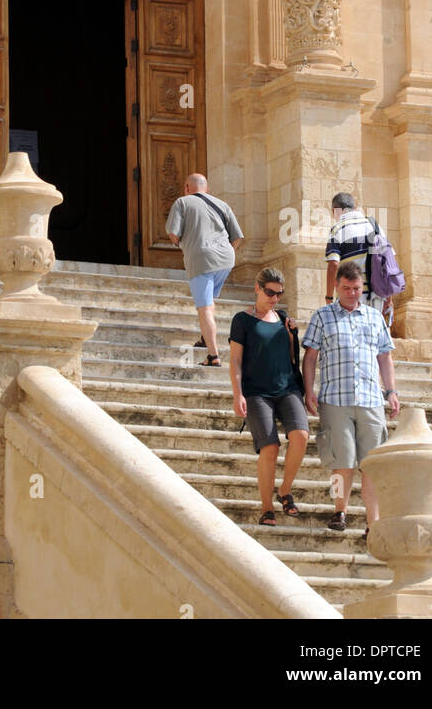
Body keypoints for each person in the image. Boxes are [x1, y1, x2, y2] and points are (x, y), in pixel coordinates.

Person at [302, 260, 400, 532]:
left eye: (356, 288)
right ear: (337, 287)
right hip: (335, 400)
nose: (352, 293)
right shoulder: (322, 316)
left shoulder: (374, 317)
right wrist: (309, 390)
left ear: (362, 287)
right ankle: (339, 511)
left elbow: (385, 356)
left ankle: (374, 522)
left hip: (370, 400)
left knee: (372, 466)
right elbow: (310, 358)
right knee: (339, 462)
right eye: (346, 288)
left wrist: (391, 391)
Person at [229, 267, 309, 526]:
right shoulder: (242, 320)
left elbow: (292, 356)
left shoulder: (284, 318)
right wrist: (237, 393)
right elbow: (235, 361)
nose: (274, 298)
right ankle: (267, 507)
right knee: (270, 447)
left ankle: (285, 490)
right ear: (257, 288)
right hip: (256, 394)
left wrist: (291, 333)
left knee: (301, 436)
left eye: (279, 293)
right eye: (269, 292)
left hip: (287, 389)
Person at [166, 173, 243, 367]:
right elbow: (238, 237)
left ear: (186, 187)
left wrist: (184, 243)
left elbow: (173, 233)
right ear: (206, 188)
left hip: (201, 259)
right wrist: (224, 252)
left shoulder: (182, 202)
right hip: (226, 258)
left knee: (205, 307)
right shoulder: (222, 204)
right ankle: (204, 337)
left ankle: (213, 355)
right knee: (209, 300)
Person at [325, 192, 384, 314]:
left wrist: (329, 297)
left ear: (335, 211)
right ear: (354, 208)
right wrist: (389, 297)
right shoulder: (373, 225)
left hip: (351, 296)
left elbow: (333, 265)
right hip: (377, 295)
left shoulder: (337, 229)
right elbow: (387, 260)